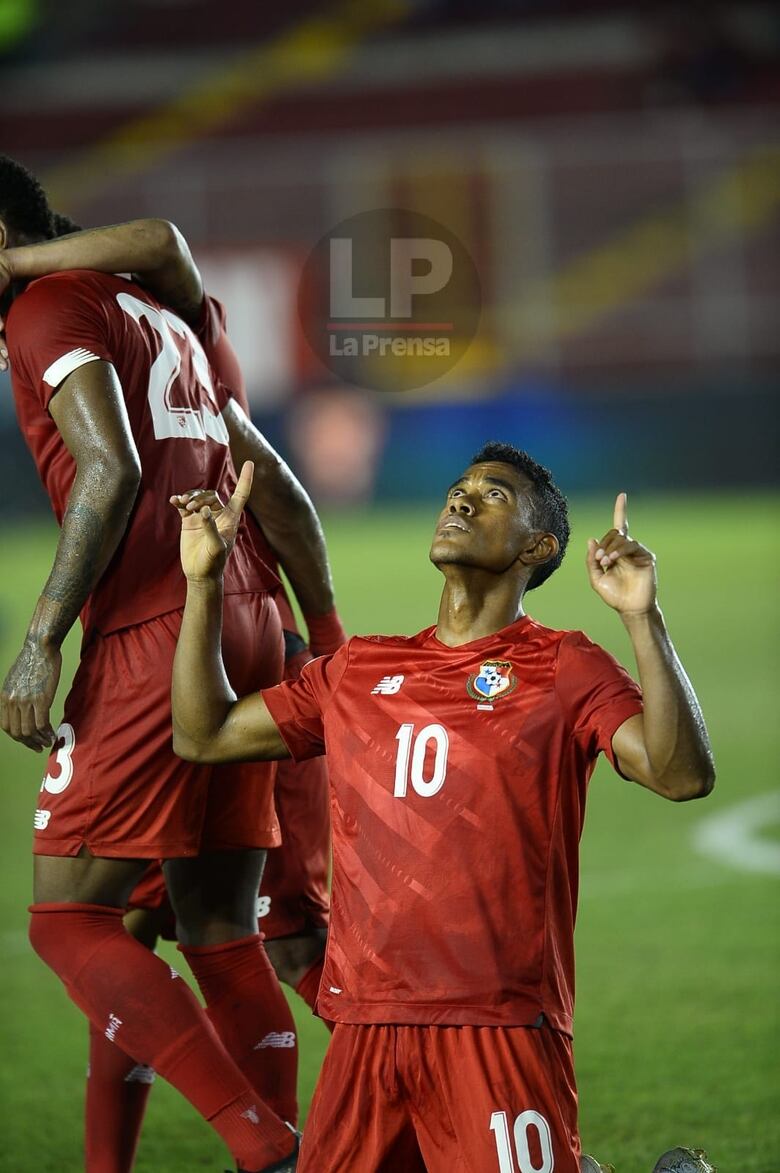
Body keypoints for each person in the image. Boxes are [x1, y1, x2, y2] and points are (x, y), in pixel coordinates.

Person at [169, 444, 715, 1173]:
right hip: (364, 1027)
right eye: (459, 488)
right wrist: (203, 581)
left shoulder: (564, 665)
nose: (461, 499)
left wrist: (643, 619)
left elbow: (680, 775)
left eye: (493, 495)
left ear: (538, 546)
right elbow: (202, 735)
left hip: (496, 1024)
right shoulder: (358, 669)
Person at [0, 154, 343, 1172]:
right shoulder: (167, 317)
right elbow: (267, 476)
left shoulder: (47, 313)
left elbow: (110, 471)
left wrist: (38, 643)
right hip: (243, 617)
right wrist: (320, 641)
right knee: (205, 923)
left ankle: (261, 1143)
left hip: (150, 630)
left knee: (70, 923)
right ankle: (254, 1151)